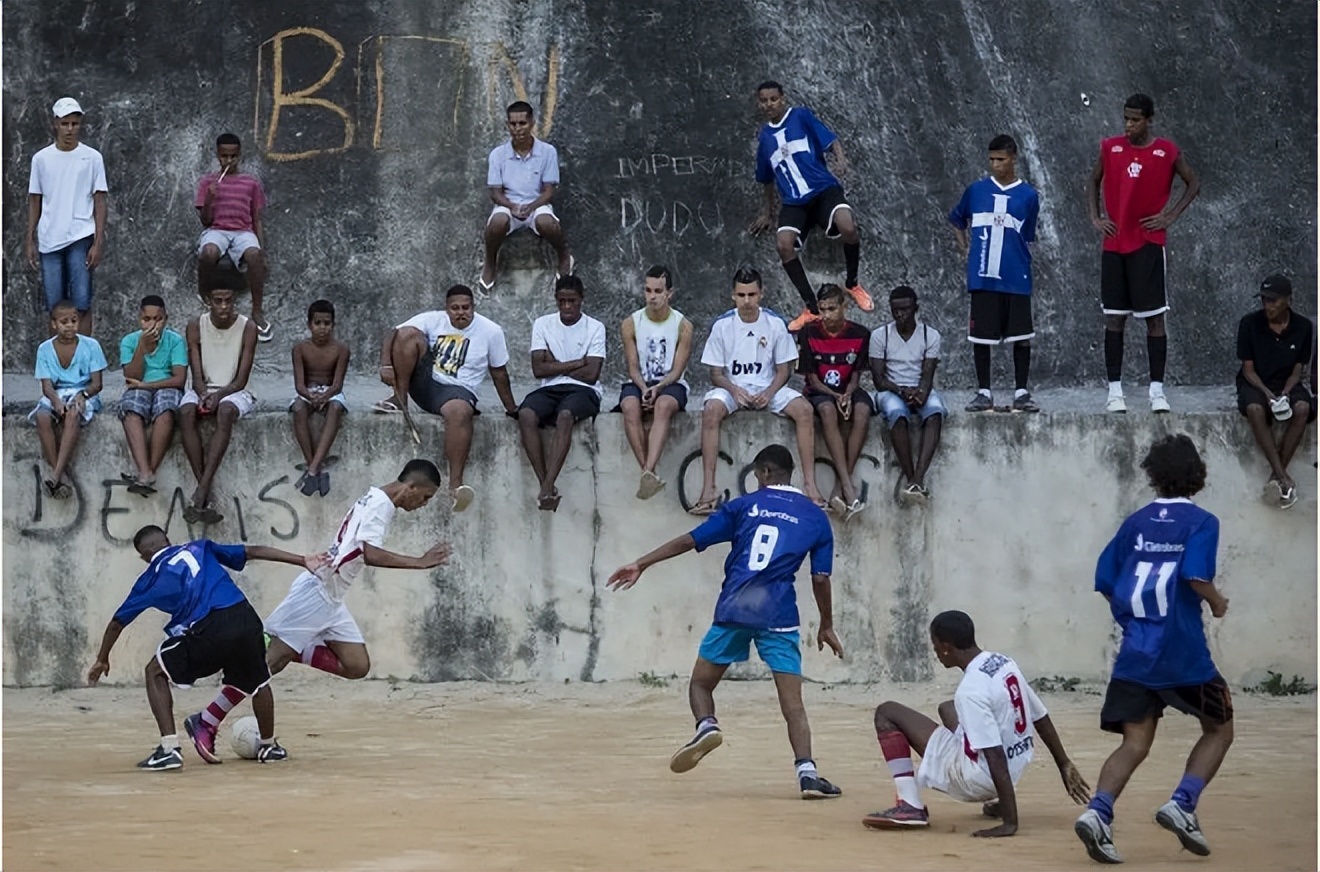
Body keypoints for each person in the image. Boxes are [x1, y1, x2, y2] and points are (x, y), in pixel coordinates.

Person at [170, 462, 452, 763]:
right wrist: (418, 562)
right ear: (410, 488)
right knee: (266, 666)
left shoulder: (376, 497)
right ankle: (207, 721)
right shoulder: (381, 506)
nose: (423, 505)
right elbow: (370, 553)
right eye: (425, 497)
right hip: (316, 595)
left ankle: (293, 650)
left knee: (356, 665)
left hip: (331, 596)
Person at [608, 444, 844, 799]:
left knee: (701, 685)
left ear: (764, 473)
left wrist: (641, 563)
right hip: (778, 613)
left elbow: (690, 540)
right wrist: (826, 624)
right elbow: (821, 578)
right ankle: (807, 774)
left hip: (736, 607)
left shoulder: (744, 506)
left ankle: (707, 726)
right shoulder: (815, 517)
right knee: (793, 704)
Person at [1074, 434, 1232, 864]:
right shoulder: (1203, 522)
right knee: (1220, 727)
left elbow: (1106, 581)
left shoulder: (1136, 522)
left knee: (1135, 742)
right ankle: (1182, 803)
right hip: (1182, 654)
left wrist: (1130, 619)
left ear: (1153, 476)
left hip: (1136, 653)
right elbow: (1195, 576)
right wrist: (1216, 602)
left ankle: (1098, 812)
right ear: (1196, 476)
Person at [87, 525, 322, 769]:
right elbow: (253, 551)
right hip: (245, 617)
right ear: (167, 540)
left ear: (144, 555)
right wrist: (302, 560)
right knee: (258, 680)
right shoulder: (200, 546)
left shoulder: (150, 578)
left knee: (154, 671)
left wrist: (102, 658)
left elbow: (117, 623)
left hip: (210, 626)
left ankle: (169, 750)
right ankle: (268, 746)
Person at [862, 610, 1090, 834]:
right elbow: (1039, 715)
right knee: (947, 708)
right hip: (1017, 763)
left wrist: (1010, 823)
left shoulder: (970, 691)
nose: (935, 652)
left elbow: (994, 754)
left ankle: (910, 806)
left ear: (946, 647)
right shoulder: (1003, 662)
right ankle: (1001, 796)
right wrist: (1064, 763)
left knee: (887, 712)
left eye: (935, 646)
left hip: (978, 777)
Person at [1087, 93, 1200, 414]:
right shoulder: (1110, 147)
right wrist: (1096, 218)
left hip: (1148, 244)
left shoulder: (1166, 151)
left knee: (1154, 319)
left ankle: (1157, 391)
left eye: (1135, 119)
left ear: (1149, 120)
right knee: (1114, 318)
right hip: (1114, 244)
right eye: (1126, 118)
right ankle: (1114, 391)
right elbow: (1092, 181)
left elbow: (1193, 182)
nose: (1129, 125)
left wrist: (1170, 216)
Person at [692, 267, 825, 513]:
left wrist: (770, 392)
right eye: (741, 295)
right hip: (734, 387)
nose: (746, 301)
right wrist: (733, 390)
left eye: (752, 294)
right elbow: (716, 374)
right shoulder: (722, 325)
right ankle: (708, 490)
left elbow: (784, 369)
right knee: (711, 410)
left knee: (805, 410)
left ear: (761, 294)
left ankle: (810, 486)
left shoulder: (774, 323)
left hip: (768, 386)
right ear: (733, 295)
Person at [375, 285, 519, 511]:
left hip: (459, 390)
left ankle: (455, 485)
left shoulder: (491, 331)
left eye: (466, 308)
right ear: (447, 309)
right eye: (455, 308)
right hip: (426, 383)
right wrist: (385, 364)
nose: (461, 312)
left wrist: (512, 408)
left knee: (459, 413)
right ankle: (398, 398)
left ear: (473, 307)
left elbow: (499, 372)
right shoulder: (433, 319)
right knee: (408, 334)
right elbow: (393, 332)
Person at [748, 80, 872, 333]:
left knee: (847, 226)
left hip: (824, 190)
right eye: (764, 100)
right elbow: (767, 179)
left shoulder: (801, 116)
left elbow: (829, 138)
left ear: (783, 99)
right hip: (795, 202)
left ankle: (852, 283)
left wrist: (841, 159)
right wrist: (767, 212)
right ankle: (811, 307)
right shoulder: (765, 138)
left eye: (774, 99)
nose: (769, 104)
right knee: (783, 245)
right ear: (759, 104)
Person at [949, 134, 1041, 413]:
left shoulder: (1028, 195)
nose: (995, 165)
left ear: (1013, 158)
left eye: (1001, 159)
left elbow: (1027, 235)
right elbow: (957, 219)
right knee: (981, 336)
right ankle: (984, 391)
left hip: (1016, 276)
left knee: (1021, 335)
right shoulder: (976, 191)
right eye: (991, 160)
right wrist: (965, 248)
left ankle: (1022, 392)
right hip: (983, 275)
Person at [518, 275, 606, 511]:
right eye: (562, 301)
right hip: (549, 388)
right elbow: (538, 369)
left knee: (565, 416)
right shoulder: (542, 324)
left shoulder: (595, 327)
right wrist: (578, 362)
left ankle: (547, 486)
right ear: (556, 300)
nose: (567, 307)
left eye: (572, 301)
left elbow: (592, 374)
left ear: (581, 300)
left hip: (584, 391)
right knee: (525, 414)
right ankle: (545, 484)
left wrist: (555, 364)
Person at [26, 97, 108, 336]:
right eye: (65, 124)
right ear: (55, 124)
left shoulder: (92, 158)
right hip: (50, 238)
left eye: (74, 123)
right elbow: (35, 199)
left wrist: (98, 241)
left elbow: (100, 199)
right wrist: (29, 237)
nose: (70, 129)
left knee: (82, 303)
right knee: (54, 306)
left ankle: (83, 364)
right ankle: (56, 365)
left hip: (81, 236)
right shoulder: (41, 159)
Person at [179, 285, 258, 525]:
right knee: (185, 411)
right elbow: (196, 372)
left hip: (234, 391)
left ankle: (202, 490)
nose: (223, 307)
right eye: (217, 301)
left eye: (228, 300)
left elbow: (241, 380)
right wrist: (204, 394)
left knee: (225, 412)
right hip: (203, 388)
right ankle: (207, 491)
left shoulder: (248, 327)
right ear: (208, 301)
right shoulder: (195, 325)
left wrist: (219, 395)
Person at [1236, 274, 1315, 509]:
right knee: (1254, 408)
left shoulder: (1303, 327)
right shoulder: (1249, 324)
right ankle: (1283, 476)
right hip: (1256, 381)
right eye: (1264, 300)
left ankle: (1275, 477)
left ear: (1288, 300)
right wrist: (1270, 395)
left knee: (1302, 408)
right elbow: (1248, 370)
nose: (1267, 305)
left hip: (1286, 381)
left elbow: (1298, 369)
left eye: (1273, 300)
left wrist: (1286, 393)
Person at [796, 283, 871, 519]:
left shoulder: (860, 334)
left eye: (832, 309)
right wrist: (836, 395)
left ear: (844, 307)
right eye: (823, 309)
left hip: (848, 387)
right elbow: (812, 378)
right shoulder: (808, 332)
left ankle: (840, 486)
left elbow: (857, 375)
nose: (827, 315)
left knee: (862, 410)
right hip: (820, 390)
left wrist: (847, 393)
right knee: (828, 411)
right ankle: (848, 488)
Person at [619, 264, 694, 499]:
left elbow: (677, 369)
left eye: (658, 291)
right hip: (641, 381)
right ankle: (648, 472)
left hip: (671, 383)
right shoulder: (630, 323)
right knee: (629, 406)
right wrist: (643, 388)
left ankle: (648, 470)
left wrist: (658, 388)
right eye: (648, 290)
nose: (652, 297)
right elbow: (632, 366)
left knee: (663, 406)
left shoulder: (683, 325)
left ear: (669, 293)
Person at [481, 100, 572, 287]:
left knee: (547, 223)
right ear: (507, 125)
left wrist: (531, 207)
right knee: (497, 223)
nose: (518, 129)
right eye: (513, 124)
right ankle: (490, 262)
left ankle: (564, 257)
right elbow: (495, 193)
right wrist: (512, 206)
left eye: (522, 123)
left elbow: (548, 191)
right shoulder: (497, 155)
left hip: (537, 205)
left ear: (531, 123)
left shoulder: (547, 152)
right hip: (508, 206)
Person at [869, 286, 947, 502]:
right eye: (896, 310)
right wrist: (901, 390)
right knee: (896, 412)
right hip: (890, 390)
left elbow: (928, 372)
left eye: (905, 309)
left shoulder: (930, 335)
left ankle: (917, 479)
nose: (900, 315)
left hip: (919, 387)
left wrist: (921, 392)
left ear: (916, 308)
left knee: (935, 411)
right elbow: (878, 379)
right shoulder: (880, 335)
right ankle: (912, 478)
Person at [195, 133, 271, 341]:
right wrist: (209, 199)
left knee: (254, 255)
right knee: (208, 252)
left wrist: (262, 252)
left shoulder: (251, 183)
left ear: (240, 156)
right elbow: (205, 220)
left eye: (233, 156)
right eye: (224, 156)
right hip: (217, 229)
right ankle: (205, 295)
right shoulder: (207, 182)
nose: (229, 161)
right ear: (217, 155)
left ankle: (257, 311)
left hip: (243, 231)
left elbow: (257, 219)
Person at [30, 299, 107, 498]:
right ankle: (61, 476)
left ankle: (55, 476)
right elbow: (46, 387)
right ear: (54, 324)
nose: (70, 326)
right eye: (64, 322)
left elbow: (97, 384)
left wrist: (83, 395)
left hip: (84, 392)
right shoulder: (44, 349)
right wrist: (56, 402)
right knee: (42, 417)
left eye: (74, 321)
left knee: (73, 414)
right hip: (56, 393)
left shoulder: (91, 346)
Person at [119, 294, 187, 496]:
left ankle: (149, 471)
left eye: (157, 319)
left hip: (165, 385)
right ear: (139, 318)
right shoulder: (129, 341)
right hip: (138, 386)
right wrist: (142, 346)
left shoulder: (175, 340)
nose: (152, 324)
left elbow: (179, 379)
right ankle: (145, 472)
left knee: (166, 412)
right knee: (131, 410)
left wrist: (147, 385)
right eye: (146, 319)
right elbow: (131, 375)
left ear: (166, 318)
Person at [290, 299, 349, 497]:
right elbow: (298, 384)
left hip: (331, 392)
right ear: (309, 325)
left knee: (336, 409)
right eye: (318, 323)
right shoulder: (300, 349)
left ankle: (312, 469)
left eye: (327, 323)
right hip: (307, 391)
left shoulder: (341, 349)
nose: (322, 328)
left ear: (333, 325)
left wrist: (326, 395)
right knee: (298, 409)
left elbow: (338, 384)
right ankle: (315, 468)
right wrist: (309, 395)